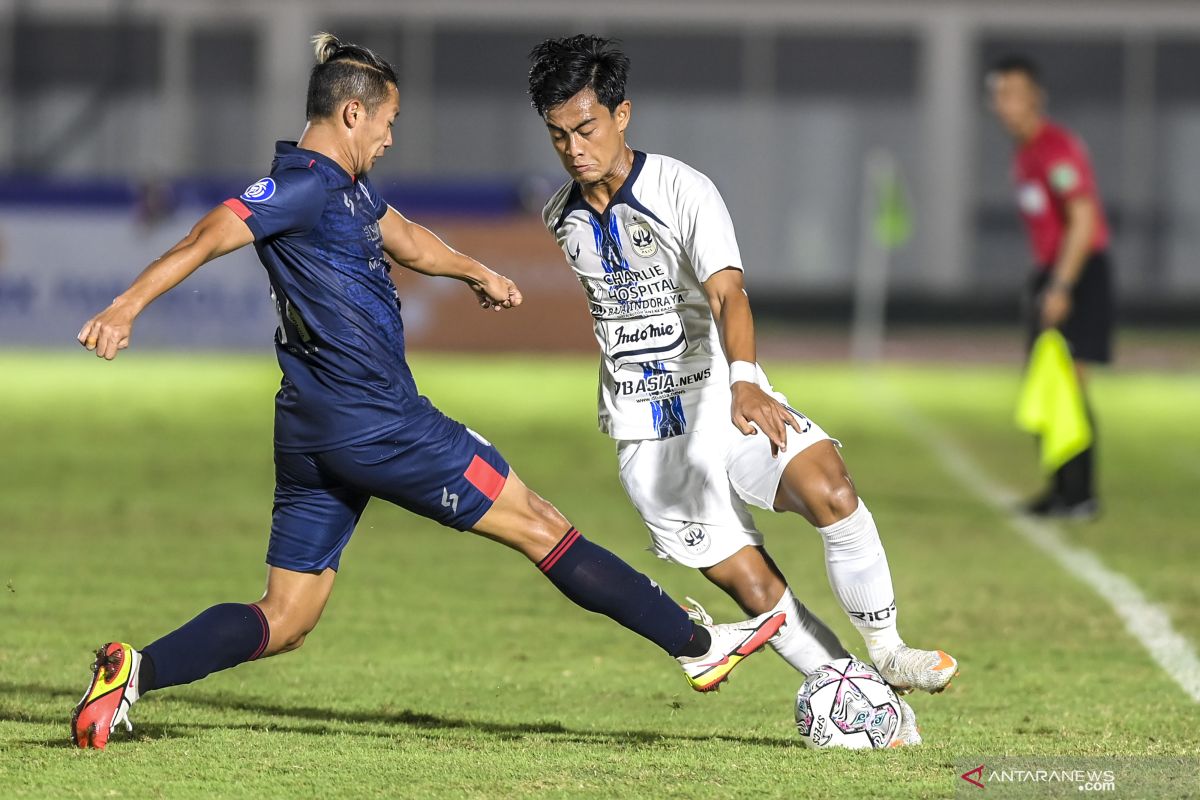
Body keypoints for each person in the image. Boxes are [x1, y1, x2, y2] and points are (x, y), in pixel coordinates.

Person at [70, 33, 786, 751]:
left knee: (286, 616)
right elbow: (206, 235)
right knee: (539, 522)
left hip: (311, 430)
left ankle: (136, 670)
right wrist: (125, 307)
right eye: (387, 123)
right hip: (381, 422)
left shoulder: (344, 189)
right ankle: (696, 644)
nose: (388, 139)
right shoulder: (302, 186)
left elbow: (407, 238)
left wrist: (475, 272)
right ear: (352, 115)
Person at [526, 33, 957, 743]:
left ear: (622, 114)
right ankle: (874, 709)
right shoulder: (561, 218)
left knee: (830, 487)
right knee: (763, 596)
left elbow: (729, 293)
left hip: (725, 403)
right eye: (557, 135)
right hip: (650, 446)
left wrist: (747, 381)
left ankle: (889, 652)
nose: (574, 148)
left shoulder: (683, 190)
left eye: (586, 127)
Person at [988, 56, 1113, 519]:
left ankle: (1080, 494)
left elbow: (1083, 220)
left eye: (1012, 93)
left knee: (1071, 384)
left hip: (1079, 272)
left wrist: (1061, 284)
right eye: (998, 94)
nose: (1004, 104)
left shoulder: (1055, 147)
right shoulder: (1024, 153)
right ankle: (1061, 489)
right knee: (1046, 382)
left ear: (1035, 98)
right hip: (1051, 272)